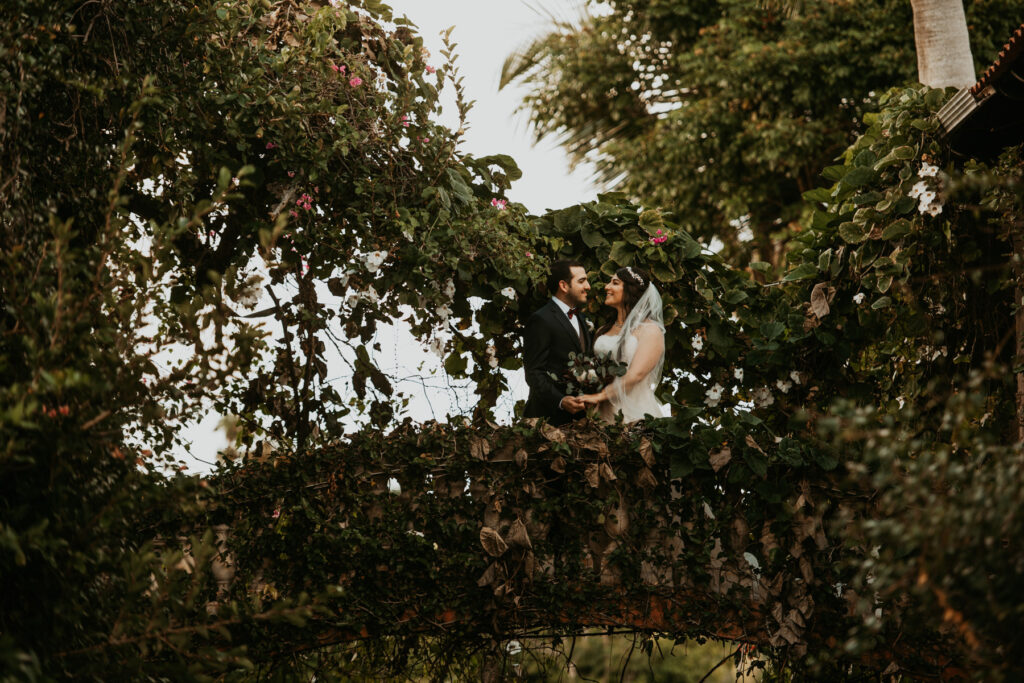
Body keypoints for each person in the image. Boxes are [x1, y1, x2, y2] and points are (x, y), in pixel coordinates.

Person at [581, 266, 666, 423]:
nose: (607, 287)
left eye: (615, 283)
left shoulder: (650, 331)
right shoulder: (602, 330)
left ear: (630, 290)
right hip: (601, 414)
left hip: (635, 415)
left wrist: (599, 396)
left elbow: (636, 375)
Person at [522, 259, 593, 425]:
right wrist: (561, 401)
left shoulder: (582, 319)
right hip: (547, 419)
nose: (588, 286)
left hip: (579, 420)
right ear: (564, 286)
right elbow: (534, 372)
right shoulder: (541, 319)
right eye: (581, 281)